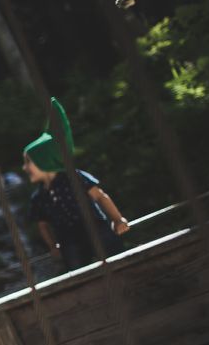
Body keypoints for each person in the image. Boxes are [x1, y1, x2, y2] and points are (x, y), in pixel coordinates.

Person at [23, 98, 129, 271]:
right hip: (69, 240)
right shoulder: (39, 196)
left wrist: (117, 219)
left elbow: (100, 196)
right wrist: (53, 246)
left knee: (115, 257)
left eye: (28, 163)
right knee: (78, 269)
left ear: (45, 161)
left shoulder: (74, 178)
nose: (25, 168)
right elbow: (42, 224)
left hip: (95, 228)